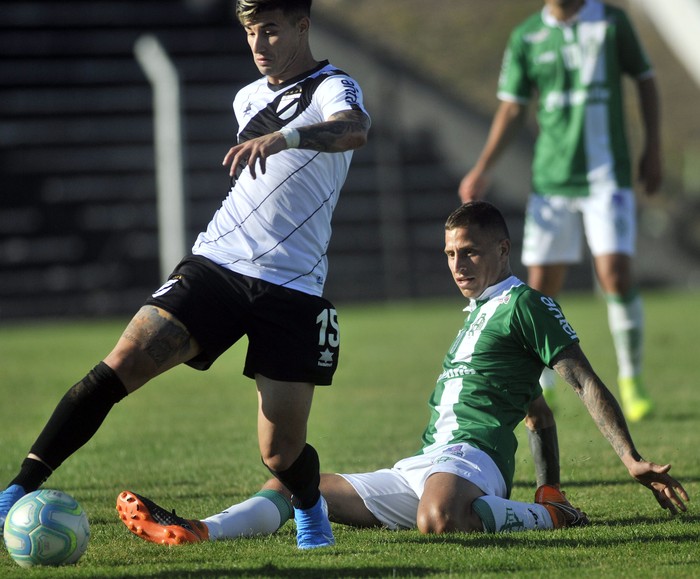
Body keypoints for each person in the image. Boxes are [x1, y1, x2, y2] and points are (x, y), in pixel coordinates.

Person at [0, 0, 371, 551]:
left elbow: (354, 129)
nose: (259, 44)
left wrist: (286, 137)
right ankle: (14, 494)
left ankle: (310, 510)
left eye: (271, 30)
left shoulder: (332, 87)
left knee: (279, 453)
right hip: (217, 264)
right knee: (119, 363)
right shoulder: (248, 96)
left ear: (302, 26)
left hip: (293, 286)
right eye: (250, 32)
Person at [114, 201, 688, 546]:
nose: (458, 265)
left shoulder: (524, 304)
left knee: (438, 520)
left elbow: (582, 381)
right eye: (449, 255)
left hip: (472, 461)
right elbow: (535, 412)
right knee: (295, 487)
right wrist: (551, 478)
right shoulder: (476, 317)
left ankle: (548, 519)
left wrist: (628, 460)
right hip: (419, 466)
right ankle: (199, 528)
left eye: (469, 252)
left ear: (503, 250)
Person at [458, 0, 660, 423]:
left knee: (615, 274)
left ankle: (633, 379)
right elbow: (512, 107)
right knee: (541, 287)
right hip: (552, 181)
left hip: (608, 175)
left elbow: (644, 79)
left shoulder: (610, 21)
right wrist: (483, 167)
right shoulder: (527, 35)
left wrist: (653, 147)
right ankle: (542, 382)